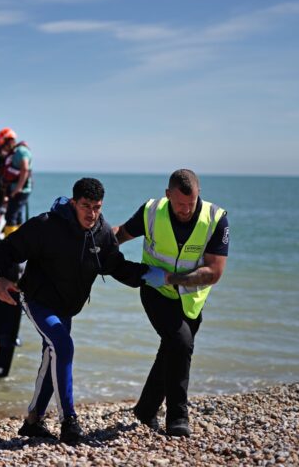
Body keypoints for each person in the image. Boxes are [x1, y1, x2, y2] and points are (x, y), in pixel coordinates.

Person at [0, 177, 157, 443]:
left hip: (67, 307)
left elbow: (115, 266)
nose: (91, 213)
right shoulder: (46, 226)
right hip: (37, 299)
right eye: (86, 206)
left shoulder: (101, 233)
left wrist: (152, 276)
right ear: (73, 202)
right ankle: (69, 421)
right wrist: (0, 277)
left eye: (97, 207)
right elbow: (6, 249)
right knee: (63, 346)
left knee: (54, 355)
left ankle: (33, 421)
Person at [113, 169, 229, 437]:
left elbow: (214, 273)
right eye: (180, 204)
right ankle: (178, 417)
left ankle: (145, 410)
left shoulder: (216, 219)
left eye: (191, 203)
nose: (186, 209)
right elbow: (121, 234)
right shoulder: (152, 211)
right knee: (180, 343)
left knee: (172, 350)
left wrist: (170, 277)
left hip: (191, 299)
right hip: (155, 292)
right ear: (168, 196)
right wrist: (96, 244)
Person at [0, 127, 32, 236]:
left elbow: (25, 168)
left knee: (11, 216)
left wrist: (18, 188)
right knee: (17, 216)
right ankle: (19, 242)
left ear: (8, 142)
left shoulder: (21, 151)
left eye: (3, 145)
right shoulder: (13, 153)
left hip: (20, 190)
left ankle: (10, 245)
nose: (3, 148)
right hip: (16, 189)